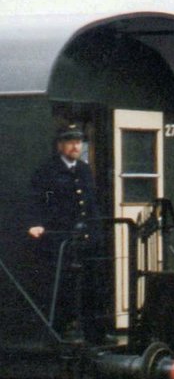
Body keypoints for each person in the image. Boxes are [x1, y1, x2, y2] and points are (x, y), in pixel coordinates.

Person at [27, 125, 105, 343]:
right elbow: (38, 200)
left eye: (79, 142)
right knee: (63, 286)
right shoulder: (48, 171)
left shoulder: (84, 169)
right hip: (61, 240)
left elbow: (91, 204)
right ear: (60, 145)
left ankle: (94, 333)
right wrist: (36, 224)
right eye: (71, 142)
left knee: (91, 285)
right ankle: (59, 333)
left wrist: (96, 232)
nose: (75, 146)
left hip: (85, 240)